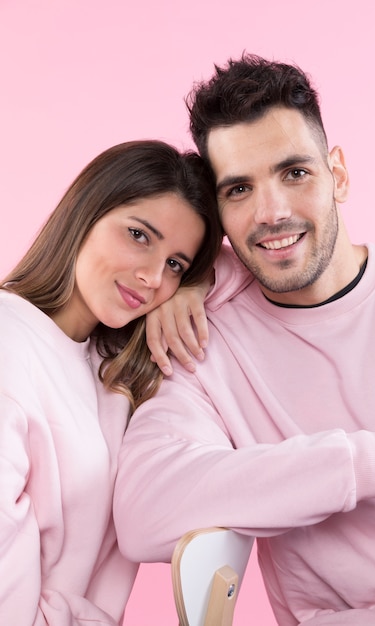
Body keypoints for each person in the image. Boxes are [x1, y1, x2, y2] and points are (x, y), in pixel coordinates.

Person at [113, 56, 375, 625]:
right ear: (218, 212)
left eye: (295, 173)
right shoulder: (200, 340)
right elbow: (144, 513)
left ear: (339, 175)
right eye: (239, 189)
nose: (271, 213)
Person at [0, 139, 222, 625]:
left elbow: (260, 263)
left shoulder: (115, 365)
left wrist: (199, 286)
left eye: (175, 264)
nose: (151, 278)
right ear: (86, 211)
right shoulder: (9, 346)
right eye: (139, 235)